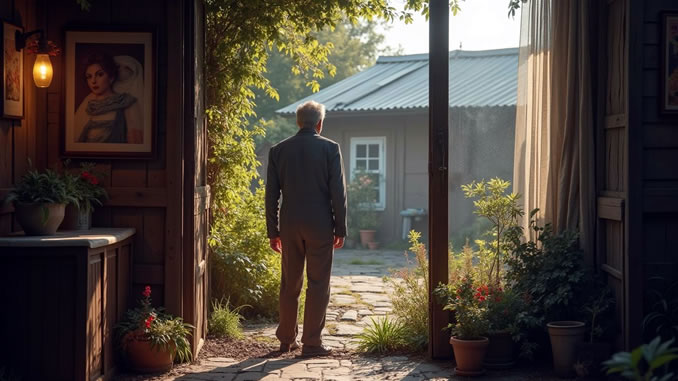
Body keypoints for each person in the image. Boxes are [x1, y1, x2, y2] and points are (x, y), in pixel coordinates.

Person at [265, 100, 347, 357]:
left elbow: (271, 195)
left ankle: (286, 339)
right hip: (320, 223)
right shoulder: (330, 148)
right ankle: (312, 343)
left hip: (289, 224)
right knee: (318, 283)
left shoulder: (278, 150)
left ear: (298, 122)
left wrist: (273, 230)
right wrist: (340, 228)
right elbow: (338, 193)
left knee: (290, 282)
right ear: (320, 123)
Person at [74, 53, 143, 144]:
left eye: (100, 74)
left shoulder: (125, 103)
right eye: (89, 77)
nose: (93, 81)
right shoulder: (88, 104)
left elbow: (135, 143)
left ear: (111, 77)